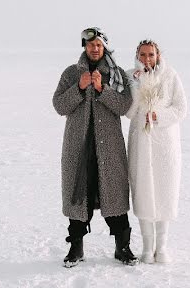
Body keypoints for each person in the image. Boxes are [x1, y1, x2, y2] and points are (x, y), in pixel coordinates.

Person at [53, 27, 138, 267]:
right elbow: (59, 105)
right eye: (90, 45)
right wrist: (79, 88)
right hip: (78, 148)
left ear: (104, 47)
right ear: (84, 46)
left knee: (115, 195)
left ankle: (123, 247)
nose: (94, 48)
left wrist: (104, 89)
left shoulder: (117, 74)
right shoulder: (71, 73)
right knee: (79, 196)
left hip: (109, 148)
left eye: (99, 45)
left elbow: (124, 107)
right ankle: (75, 248)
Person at [126, 39, 188, 263]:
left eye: (151, 54)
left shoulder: (170, 76)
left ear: (158, 55)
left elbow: (181, 108)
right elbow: (129, 112)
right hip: (140, 140)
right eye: (142, 55)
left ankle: (161, 247)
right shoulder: (130, 75)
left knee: (164, 190)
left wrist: (158, 117)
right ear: (137, 55)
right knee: (143, 191)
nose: (147, 59)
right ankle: (147, 246)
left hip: (165, 142)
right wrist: (134, 86)